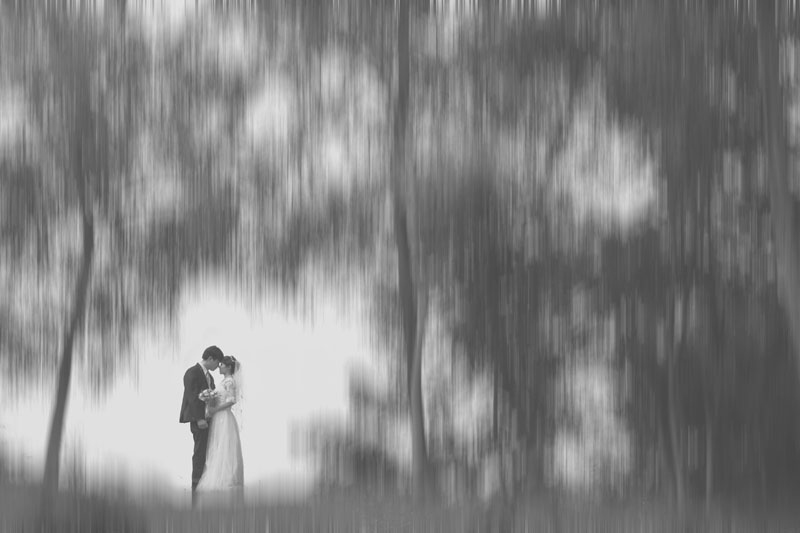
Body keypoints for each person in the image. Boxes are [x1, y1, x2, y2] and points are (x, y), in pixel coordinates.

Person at [195, 355, 244, 506]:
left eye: (221, 365)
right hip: (218, 418)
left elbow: (232, 400)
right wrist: (209, 401)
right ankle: (216, 475)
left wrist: (215, 409)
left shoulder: (230, 381)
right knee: (216, 445)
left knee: (224, 445)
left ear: (228, 367)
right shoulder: (223, 381)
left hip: (224, 417)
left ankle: (226, 479)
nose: (219, 367)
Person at [179, 345, 224, 503]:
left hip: (209, 419)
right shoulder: (192, 372)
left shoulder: (209, 376)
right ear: (210, 358)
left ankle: (206, 488)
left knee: (208, 453)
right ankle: (195, 492)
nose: (218, 366)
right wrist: (199, 419)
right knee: (199, 454)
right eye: (217, 363)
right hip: (199, 421)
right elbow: (192, 397)